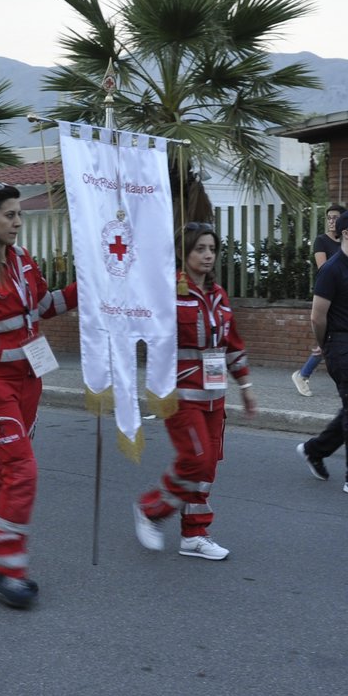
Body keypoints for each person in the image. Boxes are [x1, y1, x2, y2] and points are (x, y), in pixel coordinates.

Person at [0, 182, 77, 608]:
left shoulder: (23, 260)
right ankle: (8, 567)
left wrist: (90, 287)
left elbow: (44, 306)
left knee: (5, 471)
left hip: (29, 379)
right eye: (9, 215)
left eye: (20, 214)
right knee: (22, 470)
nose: (18, 223)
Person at [134, 222, 255, 560]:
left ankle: (194, 534)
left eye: (211, 249)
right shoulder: (168, 291)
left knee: (208, 466)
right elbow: (147, 332)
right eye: (199, 248)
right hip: (180, 395)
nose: (207, 255)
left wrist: (245, 385)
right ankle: (150, 509)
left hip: (215, 395)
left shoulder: (218, 295)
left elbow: (232, 344)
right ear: (184, 253)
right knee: (196, 460)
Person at [297, 210, 348, 498]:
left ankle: (314, 449)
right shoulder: (331, 270)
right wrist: (326, 345)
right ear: (346, 233)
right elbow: (317, 316)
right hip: (343, 348)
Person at [291, 204, 344, 397]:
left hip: (343, 297)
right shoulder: (321, 241)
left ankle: (306, 374)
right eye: (329, 217)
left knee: (334, 340)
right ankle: (303, 374)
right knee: (327, 340)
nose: (332, 221)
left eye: (336, 217)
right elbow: (324, 268)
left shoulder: (345, 242)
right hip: (327, 296)